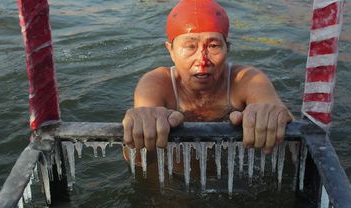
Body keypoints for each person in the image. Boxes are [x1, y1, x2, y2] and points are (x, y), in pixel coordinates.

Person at [122, 0, 292, 165]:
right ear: (171, 51)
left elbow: (282, 117)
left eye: (213, 46)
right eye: (190, 47)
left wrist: (271, 114)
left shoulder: (245, 79)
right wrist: (142, 124)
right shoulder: (157, 83)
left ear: (228, 48)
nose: (202, 61)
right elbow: (138, 158)